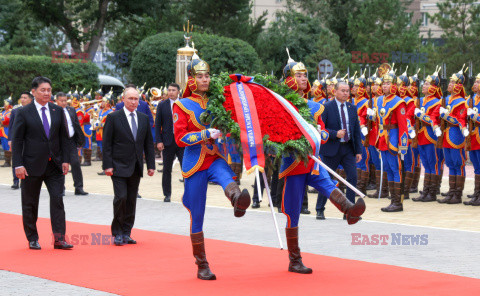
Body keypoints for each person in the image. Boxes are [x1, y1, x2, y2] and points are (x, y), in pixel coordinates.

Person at [278, 54, 365, 274]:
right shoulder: (281, 105)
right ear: (289, 78)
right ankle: (294, 259)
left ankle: (349, 209)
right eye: (298, 75)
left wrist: (321, 134)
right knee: (294, 211)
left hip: (313, 159)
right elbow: (276, 135)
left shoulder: (312, 105)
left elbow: (324, 132)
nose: (303, 78)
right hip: (293, 163)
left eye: (305, 75)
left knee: (327, 183)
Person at [173, 53, 251, 280]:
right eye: (200, 76)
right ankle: (202, 264)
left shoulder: (218, 100)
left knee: (228, 177)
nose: (205, 80)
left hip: (215, 156)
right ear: (191, 79)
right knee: (197, 215)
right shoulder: (182, 105)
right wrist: (205, 133)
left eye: (207, 76)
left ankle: (237, 200)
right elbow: (179, 139)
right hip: (194, 162)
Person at [12, 76, 72, 250]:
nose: (47, 93)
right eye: (43, 90)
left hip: (55, 164)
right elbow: (17, 140)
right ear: (33, 92)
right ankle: (32, 237)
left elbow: (64, 137)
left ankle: (59, 239)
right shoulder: (23, 112)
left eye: (49, 90)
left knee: (58, 199)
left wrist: (66, 159)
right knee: (30, 203)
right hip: (30, 165)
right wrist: (18, 164)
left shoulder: (57, 110)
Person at [102, 87, 156, 246]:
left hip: (136, 166)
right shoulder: (113, 118)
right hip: (117, 166)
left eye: (136, 99)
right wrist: (107, 165)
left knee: (131, 200)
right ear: (123, 100)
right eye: (130, 98)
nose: (133, 102)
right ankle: (117, 232)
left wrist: (151, 165)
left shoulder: (144, 118)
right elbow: (107, 144)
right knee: (121, 198)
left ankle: (126, 232)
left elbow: (148, 144)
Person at [317, 81, 364, 217]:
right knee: (326, 179)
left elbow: (355, 130)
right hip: (332, 148)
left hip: (348, 148)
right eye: (343, 90)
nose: (346, 93)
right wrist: (334, 134)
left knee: (352, 177)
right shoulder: (326, 107)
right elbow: (321, 128)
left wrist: (358, 150)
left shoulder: (351, 107)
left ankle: (350, 210)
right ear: (335, 91)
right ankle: (320, 209)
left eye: (347, 91)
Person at [368, 69, 408, 212]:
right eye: (383, 83)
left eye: (387, 83)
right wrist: (371, 116)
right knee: (388, 169)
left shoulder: (399, 102)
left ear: (394, 85)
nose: (384, 86)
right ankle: (393, 200)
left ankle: (398, 202)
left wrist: (403, 144)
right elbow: (379, 119)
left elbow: (403, 125)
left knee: (395, 168)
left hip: (393, 137)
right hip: (382, 137)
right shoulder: (378, 100)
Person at [437, 67, 468, 204]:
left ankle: (457, 193)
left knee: (458, 163)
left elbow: (460, 121)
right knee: (449, 163)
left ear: (458, 85)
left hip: (455, 134)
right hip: (446, 134)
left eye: (452, 83)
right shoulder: (447, 99)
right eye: (449, 82)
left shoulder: (461, 101)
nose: (449, 85)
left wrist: (446, 116)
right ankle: (451, 191)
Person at [411, 69, 442, 202]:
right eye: (423, 84)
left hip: (430, 135)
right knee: (425, 164)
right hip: (421, 135)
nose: (423, 86)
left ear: (433, 87)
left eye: (426, 84)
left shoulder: (437, 102)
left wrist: (420, 115)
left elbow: (433, 120)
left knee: (432, 163)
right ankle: (426, 190)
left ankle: (432, 192)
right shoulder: (420, 101)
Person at [155, 83, 185, 202]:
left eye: (173, 90)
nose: (171, 92)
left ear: (178, 91)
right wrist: (159, 141)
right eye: (169, 90)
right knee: (167, 169)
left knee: (186, 169)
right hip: (167, 141)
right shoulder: (162, 105)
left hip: (182, 141)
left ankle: (188, 194)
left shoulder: (184, 104)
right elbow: (158, 124)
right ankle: (167, 194)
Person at [55, 92, 88, 196]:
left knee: (76, 163)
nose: (64, 103)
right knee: (61, 165)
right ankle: (61, 188)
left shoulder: (71, 110)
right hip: (59, 142)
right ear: (57, 101)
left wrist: (80, 139)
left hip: (71, 141)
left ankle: (79, 187)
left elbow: (76, 125)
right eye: (61, 101)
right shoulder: (53, 111)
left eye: (65, 100)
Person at [8, 92, 34, 189]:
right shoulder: (15, 111)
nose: (22, 99)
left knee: (27, 160)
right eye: (21, 97)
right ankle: (15, 181)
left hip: (29, 140)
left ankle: (26, 181)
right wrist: (10, 139)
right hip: (17, 139)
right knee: (16, 159)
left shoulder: (33, 111)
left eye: (25, 97)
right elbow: (11, 126)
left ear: (30, 99)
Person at [465, 73, 480, 206]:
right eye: (475, 82)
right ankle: (477, 193)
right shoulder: (473, 98)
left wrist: (475, 116)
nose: (475, 84)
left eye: (478, 82)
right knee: (476, 166)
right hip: (473, 135)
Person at [1, 97, 13, 167]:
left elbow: (7, 120)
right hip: (2, 130)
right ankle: (6, 162)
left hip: (8, 129)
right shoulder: (2, 112)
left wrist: (1, 118)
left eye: (6, 104)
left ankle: (9, 162)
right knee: (4, 145)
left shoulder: (11, 112)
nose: (4, 105)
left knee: (9, 146)